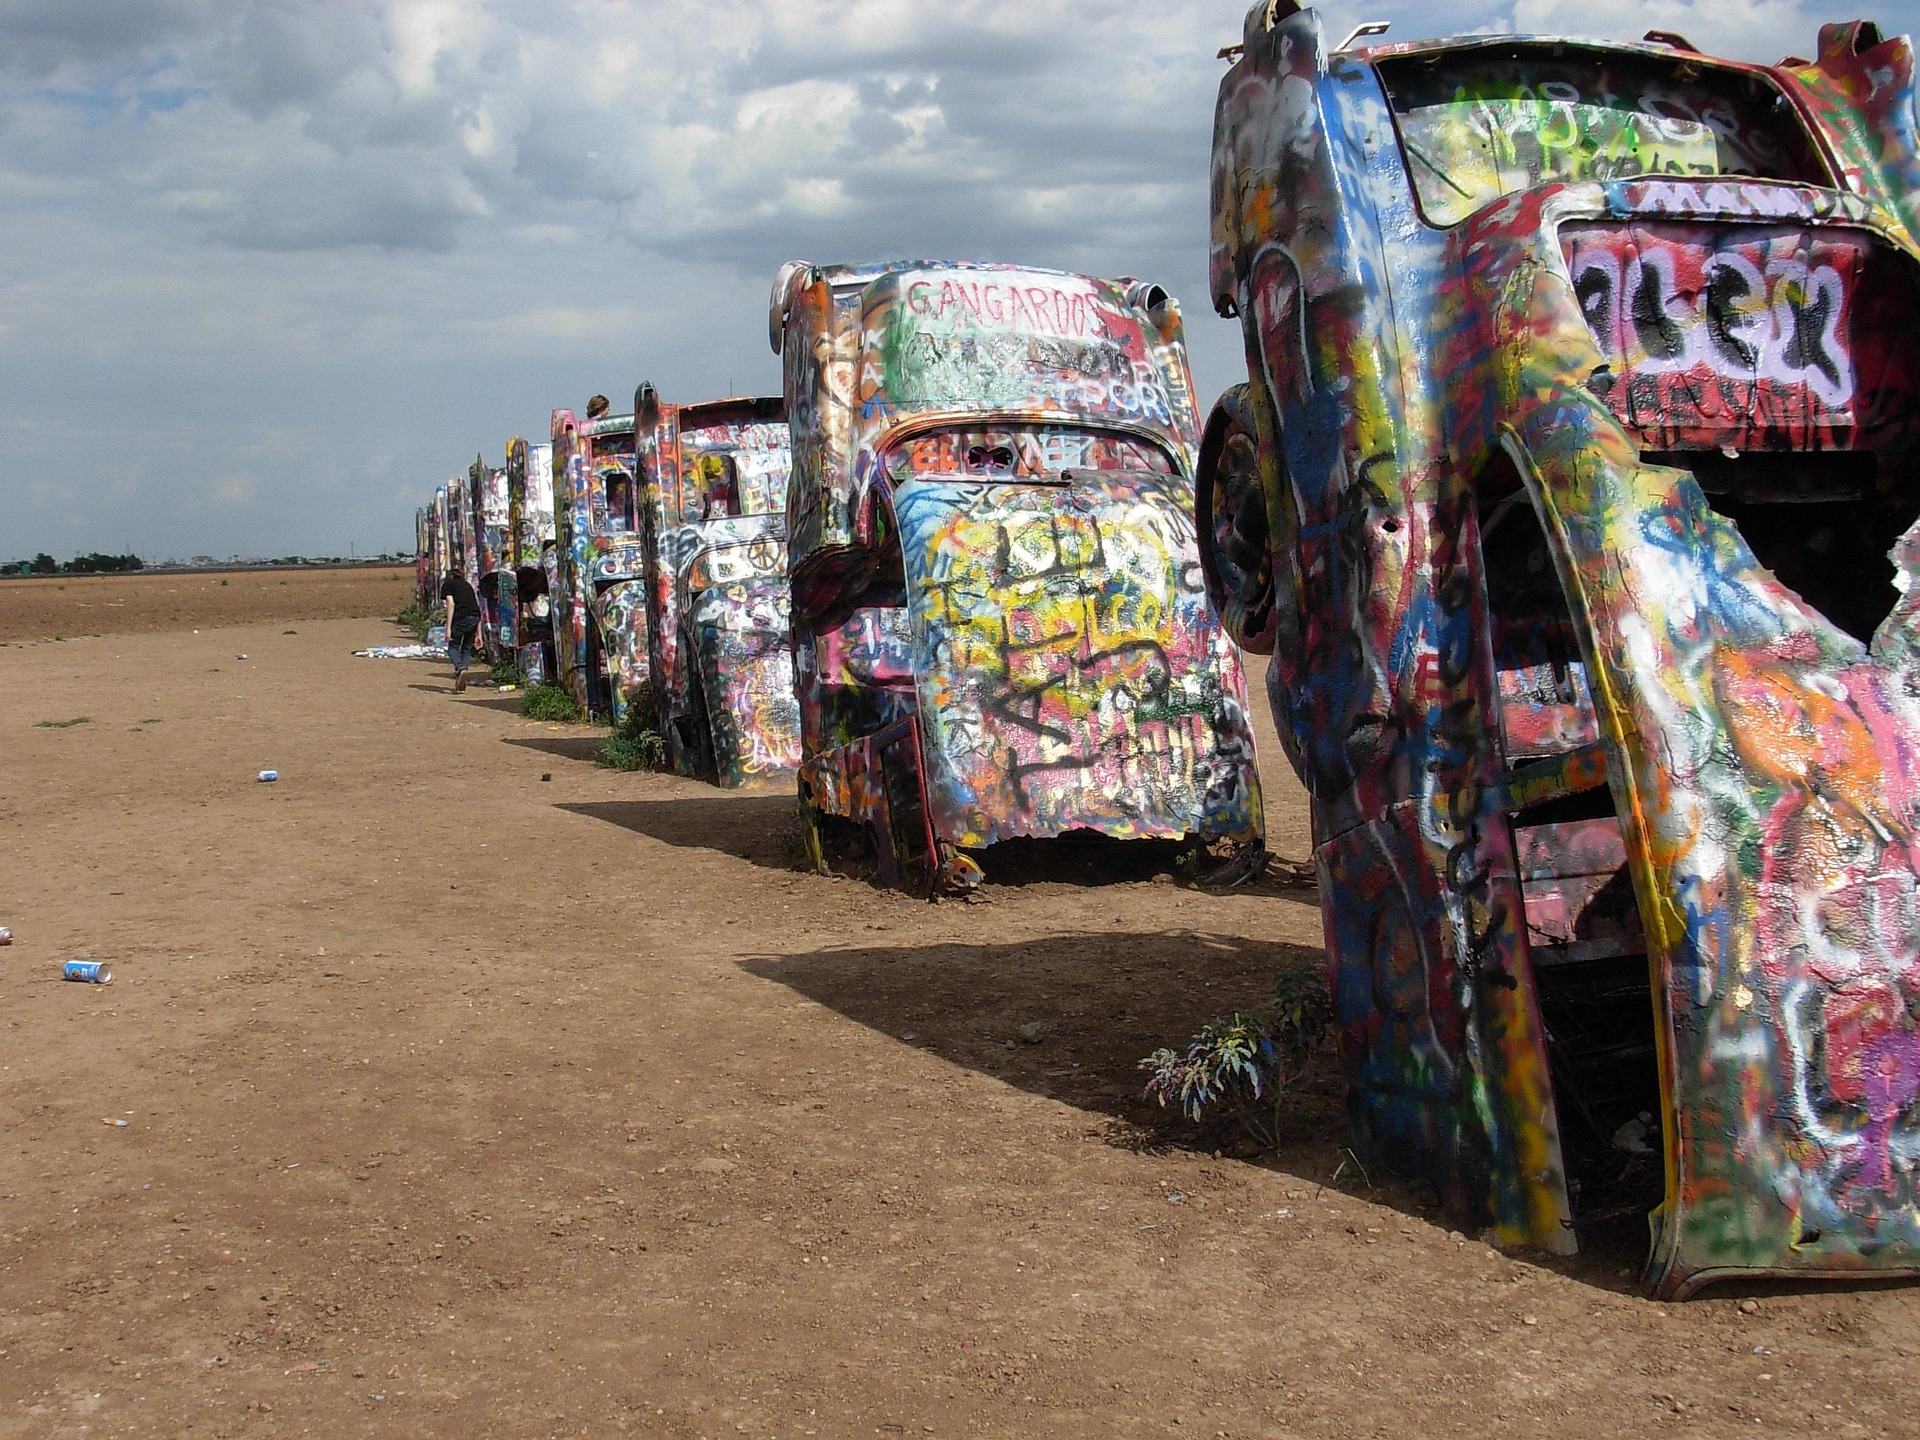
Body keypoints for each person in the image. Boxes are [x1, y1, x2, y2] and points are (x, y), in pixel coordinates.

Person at [440, 568, 482, 693]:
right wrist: (479, 634)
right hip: (474, 617)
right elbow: (476, 606)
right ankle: (461, 681)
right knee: (467, 648)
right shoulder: (467, 585)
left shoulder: (448, 585)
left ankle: (460, 668)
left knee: (453, 647)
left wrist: (447, 628)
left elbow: (451, 604)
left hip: (460, 618)